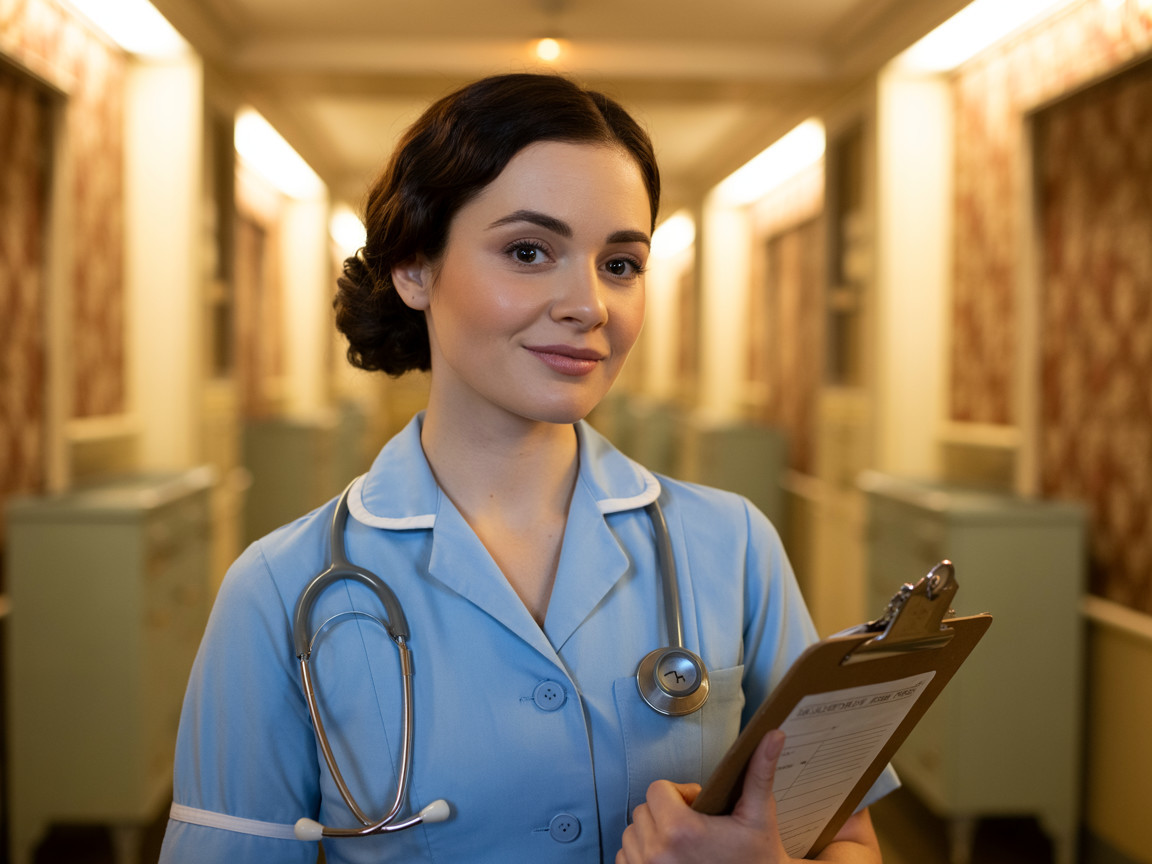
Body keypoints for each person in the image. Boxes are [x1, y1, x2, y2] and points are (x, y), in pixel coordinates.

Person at [159, 72, 896, 864]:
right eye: (528, 251)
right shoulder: (277, 591)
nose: (590, 305)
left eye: (620, 263)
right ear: (414, 268)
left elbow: (847, 836)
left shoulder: (732, 545)